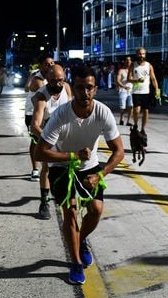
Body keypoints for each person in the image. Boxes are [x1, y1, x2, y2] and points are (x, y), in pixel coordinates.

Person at [35, 66, 124, 285]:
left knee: (96, 210)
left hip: (89, 165)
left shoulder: (102, 112)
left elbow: (119, 151)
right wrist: (72, 155)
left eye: (90, 88)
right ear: (72, 88)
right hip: (62, 165)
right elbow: (40, 151)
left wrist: (100, 175)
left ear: (95, 88)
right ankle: (75, 263)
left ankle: (80, 239)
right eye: (80, 88)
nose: (85, 93)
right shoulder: (60, 115)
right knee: (71, 211)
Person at [31, 64, 72, 220]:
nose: (58, 84)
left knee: (69, 165)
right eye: (54, 81)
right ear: (47, 79)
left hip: (65, 131)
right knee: (47, 168)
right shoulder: (42, 97)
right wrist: (50, 140)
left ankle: (66, 195)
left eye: (60, 80)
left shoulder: (66, 88)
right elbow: (35, 126)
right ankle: (44, 203)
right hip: (47, 132)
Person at [25, 54, 54, 181]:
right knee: (36, 142)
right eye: (47, 64)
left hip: (46, 114)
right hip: (33, 114)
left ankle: (47, 167)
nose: (50, 66)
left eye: (52, 63)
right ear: (41, 65)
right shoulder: (38, 80)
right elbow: (48, 96)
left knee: (46, 141)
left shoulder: (51, 77)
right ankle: (35, 169)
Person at [127, 47, 160, 137]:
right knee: (136, 110)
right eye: (140, 54)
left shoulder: (149, 65)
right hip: (136, 92)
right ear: (137, 54)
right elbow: (128, 78)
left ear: (145, 55)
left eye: (143, 54)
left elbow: (153, 78)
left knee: (146, 111)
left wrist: (157, 89)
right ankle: (136, 124)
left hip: (146, 92)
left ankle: (143, 129)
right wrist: (137, 80)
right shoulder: (133, 65)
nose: (141, 55)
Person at [116, 56, 133, 126]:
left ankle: (128, 121)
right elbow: (118, 80)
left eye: (129, 60)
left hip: (131, 91)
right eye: (127, 60)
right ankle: (121, 118)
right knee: (122, 107)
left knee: (131, 106)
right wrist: (123, 86)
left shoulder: (133, 71)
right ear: (125, 62)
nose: (128, 62)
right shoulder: (121, 70)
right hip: (123, 90)